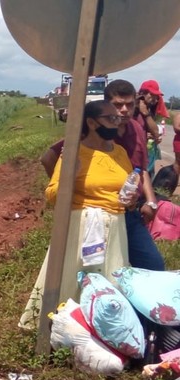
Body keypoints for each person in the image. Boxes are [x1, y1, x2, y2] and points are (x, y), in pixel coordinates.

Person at [20, 100, 137, 329]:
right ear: (92, 123)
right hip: (81, 227)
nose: (117, 122)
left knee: (110, 283)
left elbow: (128, 188)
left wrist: (132, 200)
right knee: (72, 282)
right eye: (110, 118)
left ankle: (104, 332)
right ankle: (61, 331)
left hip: (115, 227)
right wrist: (72, 175)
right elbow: (52, 195)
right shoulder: (74, 152)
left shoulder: (120, 153)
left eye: (118, 118)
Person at [39, 79, 166, 271]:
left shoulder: (137, 130)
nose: (124, 110)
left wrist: (150, 201)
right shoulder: (92, 133)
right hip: (92, 217)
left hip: (128, 212)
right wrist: (72, 193)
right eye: (118, 105)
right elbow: (48, 158)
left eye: (129, 104)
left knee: (152, 266)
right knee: (94, 271)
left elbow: (141, 170)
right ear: (107, 105)